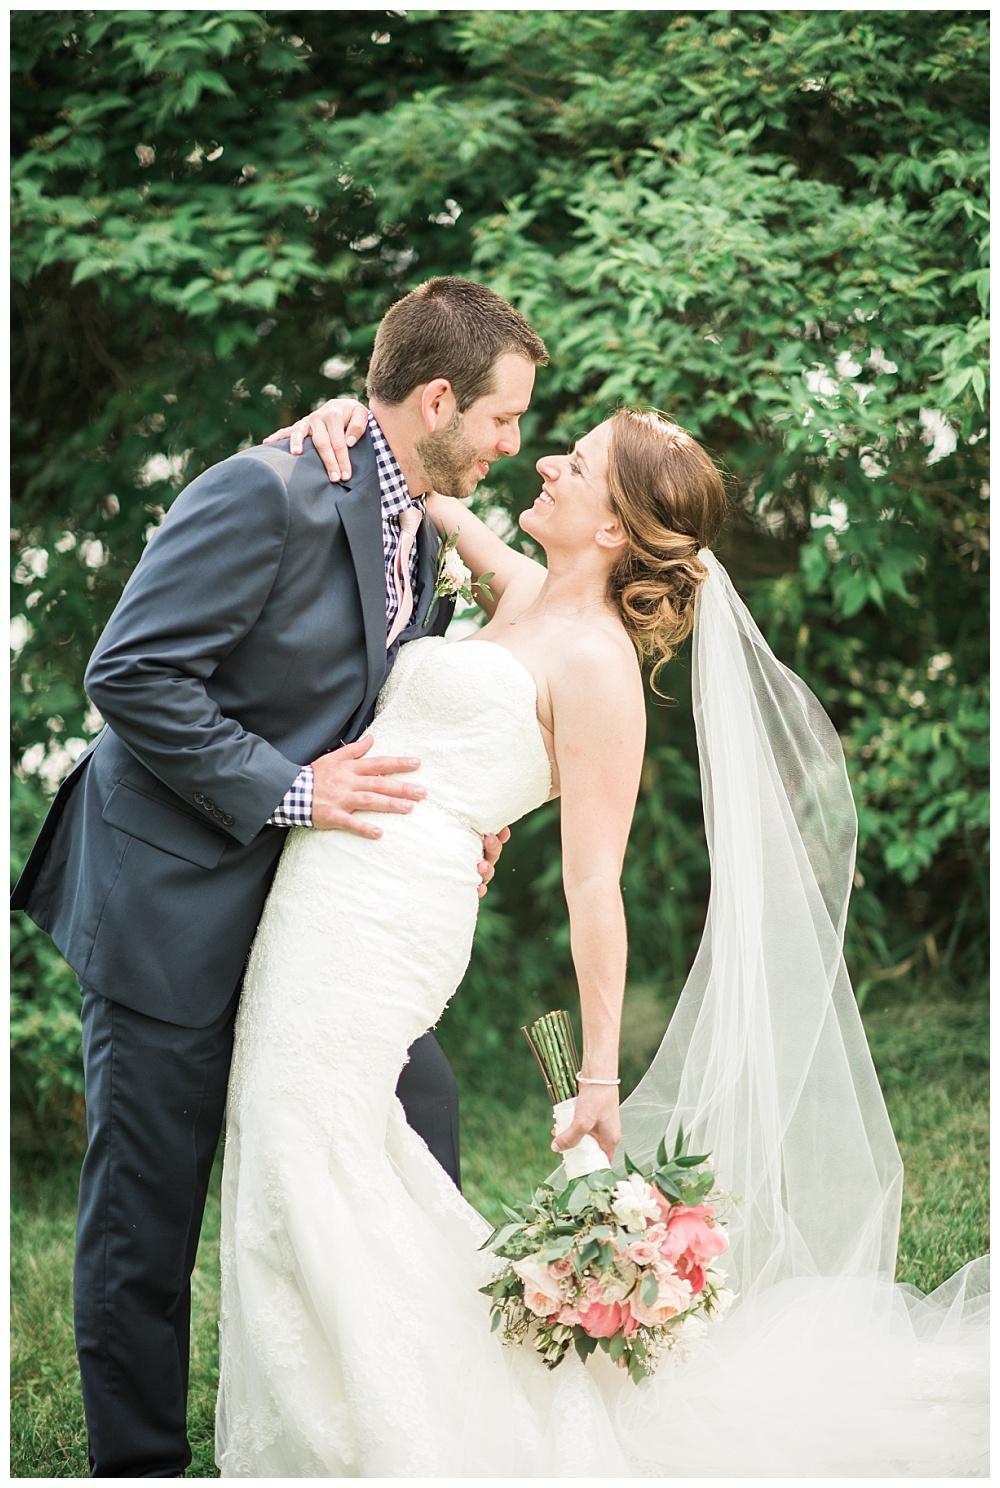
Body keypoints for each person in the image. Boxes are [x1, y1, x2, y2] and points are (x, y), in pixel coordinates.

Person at [214, 399, 988, 1477]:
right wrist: (343, 414)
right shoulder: (520, 592)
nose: (541, 461)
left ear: (615, 527)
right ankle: (362, 1409)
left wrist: (597, 1077)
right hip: (326, 885)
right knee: (297, 1137)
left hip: (393, 916)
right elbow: (425, 487)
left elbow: (594, 886)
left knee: (309, 1140)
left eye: (571, 464)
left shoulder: (598, 670)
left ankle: (409, 1433)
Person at [10, 277, 548, 1478]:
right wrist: (299, 792)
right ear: (440, 398)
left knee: (421, 1111)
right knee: (150, 1215)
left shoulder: (410, 507)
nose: (515, 445)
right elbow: (133, 673)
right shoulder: (268, 488)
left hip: (313, 914)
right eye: (505, 420)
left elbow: (371, 693)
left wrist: (446, 808)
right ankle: (137, 1465)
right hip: (170, 898)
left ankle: (389, 1423)